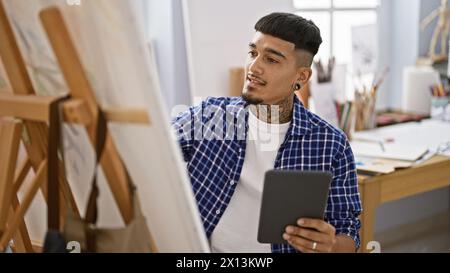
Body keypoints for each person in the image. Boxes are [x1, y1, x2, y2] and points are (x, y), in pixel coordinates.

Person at [172, 12, 361, 253]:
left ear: (301, 77)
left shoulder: (331, 145)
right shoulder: (207, 117)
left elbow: (350, 235)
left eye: (271, 60)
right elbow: (156, 150)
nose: (254, 66)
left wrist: (331, 244)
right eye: (253, 53)